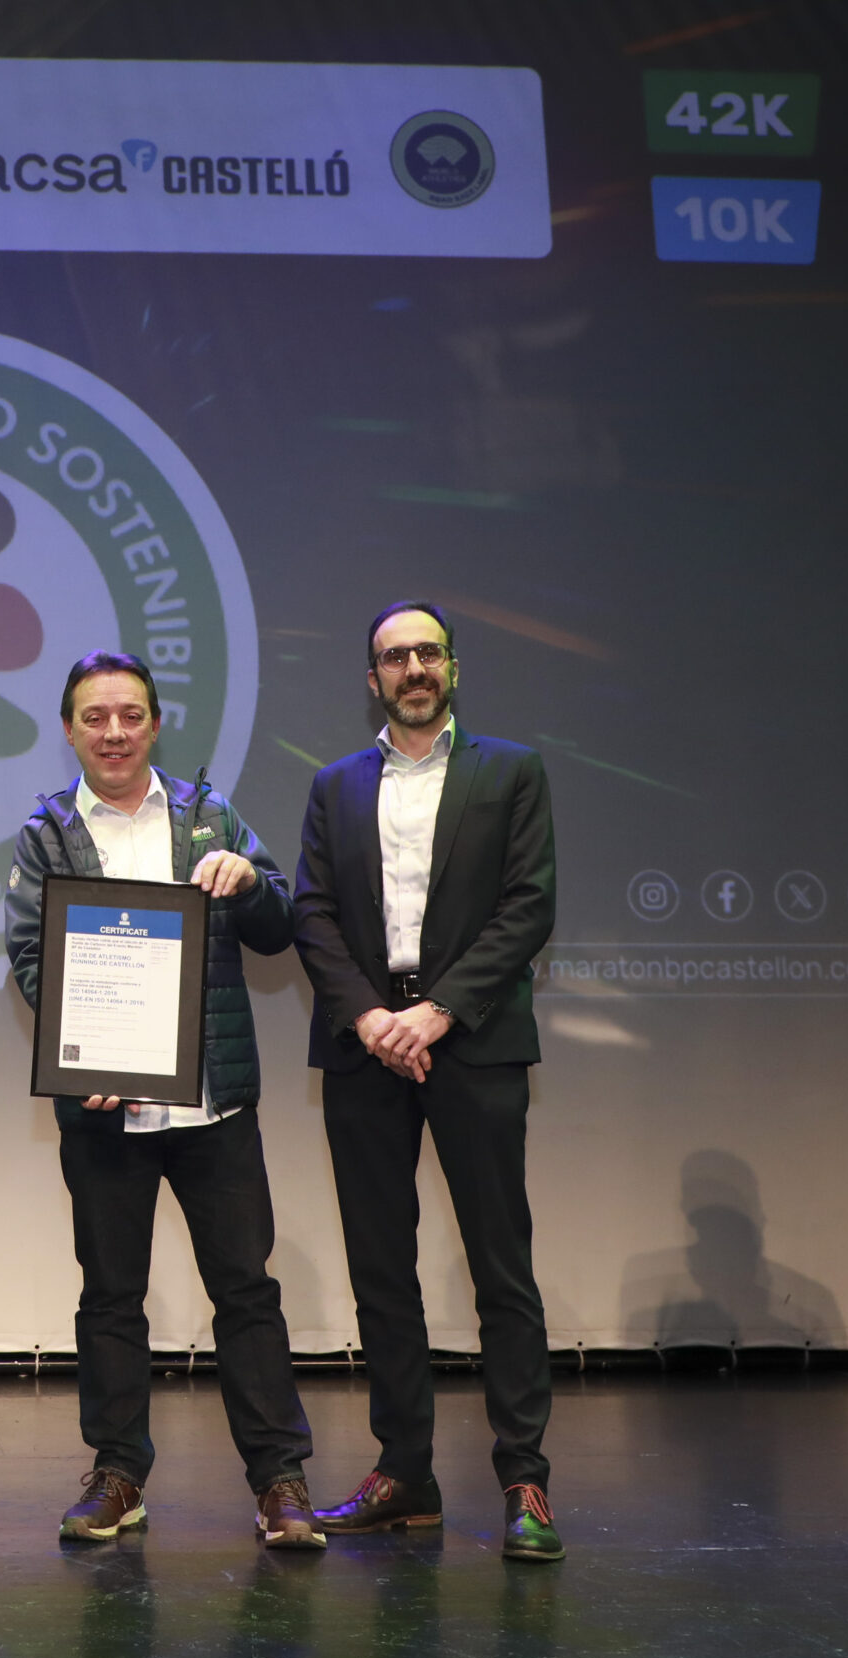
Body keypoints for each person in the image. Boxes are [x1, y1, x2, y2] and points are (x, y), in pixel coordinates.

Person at [2, 650, 325, 1551]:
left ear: (154, 723)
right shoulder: (46, 831)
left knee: (246, 1292)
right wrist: (84, 1056)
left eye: (130, 715)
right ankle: (117, 1475)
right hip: (106, 1112)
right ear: (69, 729)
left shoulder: (209, 815)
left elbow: (279, 928)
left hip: (212, 1105)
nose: (114, 732)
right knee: (111, 1296)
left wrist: (250, 882)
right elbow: (30, 957)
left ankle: (280, 1479)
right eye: (95, 717)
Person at [292, 601, 564, 1562]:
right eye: (394, 657)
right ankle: (404, 1473)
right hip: (367, 1047)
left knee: (501, 1265)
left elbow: (528, 905)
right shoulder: (334, 785)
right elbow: (312, 912)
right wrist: (373, 1018)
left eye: (427, 653)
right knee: (381, 1268)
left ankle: (524, 1480)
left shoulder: (511, 770)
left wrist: (438, 1011)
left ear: (453, 667)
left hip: (472, 1041)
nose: (413, 668)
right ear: (372, 678)